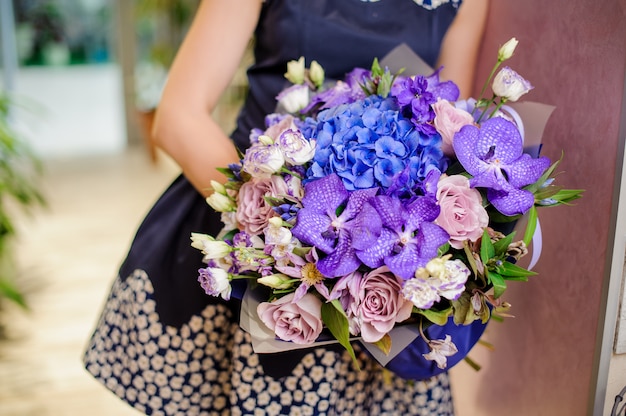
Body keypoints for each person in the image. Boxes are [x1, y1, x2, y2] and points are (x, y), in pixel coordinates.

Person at [83, 0, 489, 415]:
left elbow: (448, 127)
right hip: (262, 239)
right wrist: (277, 231)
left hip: (382, 268)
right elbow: (178, 117)